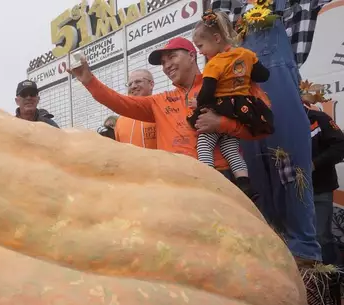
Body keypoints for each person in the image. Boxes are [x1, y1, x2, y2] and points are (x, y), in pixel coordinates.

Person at [213, 0, 322, 263]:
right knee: (256, 171)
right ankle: (269, 249)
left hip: (279, 84)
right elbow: (214, 28)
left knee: (291, 167)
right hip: (242, 90)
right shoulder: (227, 7)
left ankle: (304, 253)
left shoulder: (295, 6)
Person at [68, 36, 263, 177]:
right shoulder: (159, 101)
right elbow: (118, 101)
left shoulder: (223, 85)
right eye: (163, 62)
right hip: (173, 180)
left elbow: (260, 130)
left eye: (172, 57)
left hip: (222, 175)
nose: (166, 65)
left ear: (191, 55)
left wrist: (221, 123)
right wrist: (89, 80)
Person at [188, 10, 274, 201]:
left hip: (220, 107)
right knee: (230, 148)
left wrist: (197, 103)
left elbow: (208, 90)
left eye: (200, 46)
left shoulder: (214, 63)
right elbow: (263, 76)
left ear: (216, 38)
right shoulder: (247, 54)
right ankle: (244, 183)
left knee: (204, 145)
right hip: (242, 109)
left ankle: (209, 182)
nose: (200, 52)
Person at [301, 82, 344, 267]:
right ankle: (312, 285)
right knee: (299, 237)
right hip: (293, 193)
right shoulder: (278, 125)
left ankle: (332, 278)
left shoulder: (319, 119)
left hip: (320, 189)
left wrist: (314, 164)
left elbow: (340, 146)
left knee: (321, 236)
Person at [114, 70, 157, 149]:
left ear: (151, 84)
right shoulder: (120, 120)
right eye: (130, 84)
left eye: (138, 81)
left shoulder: (162, 111)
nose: (133, 86)